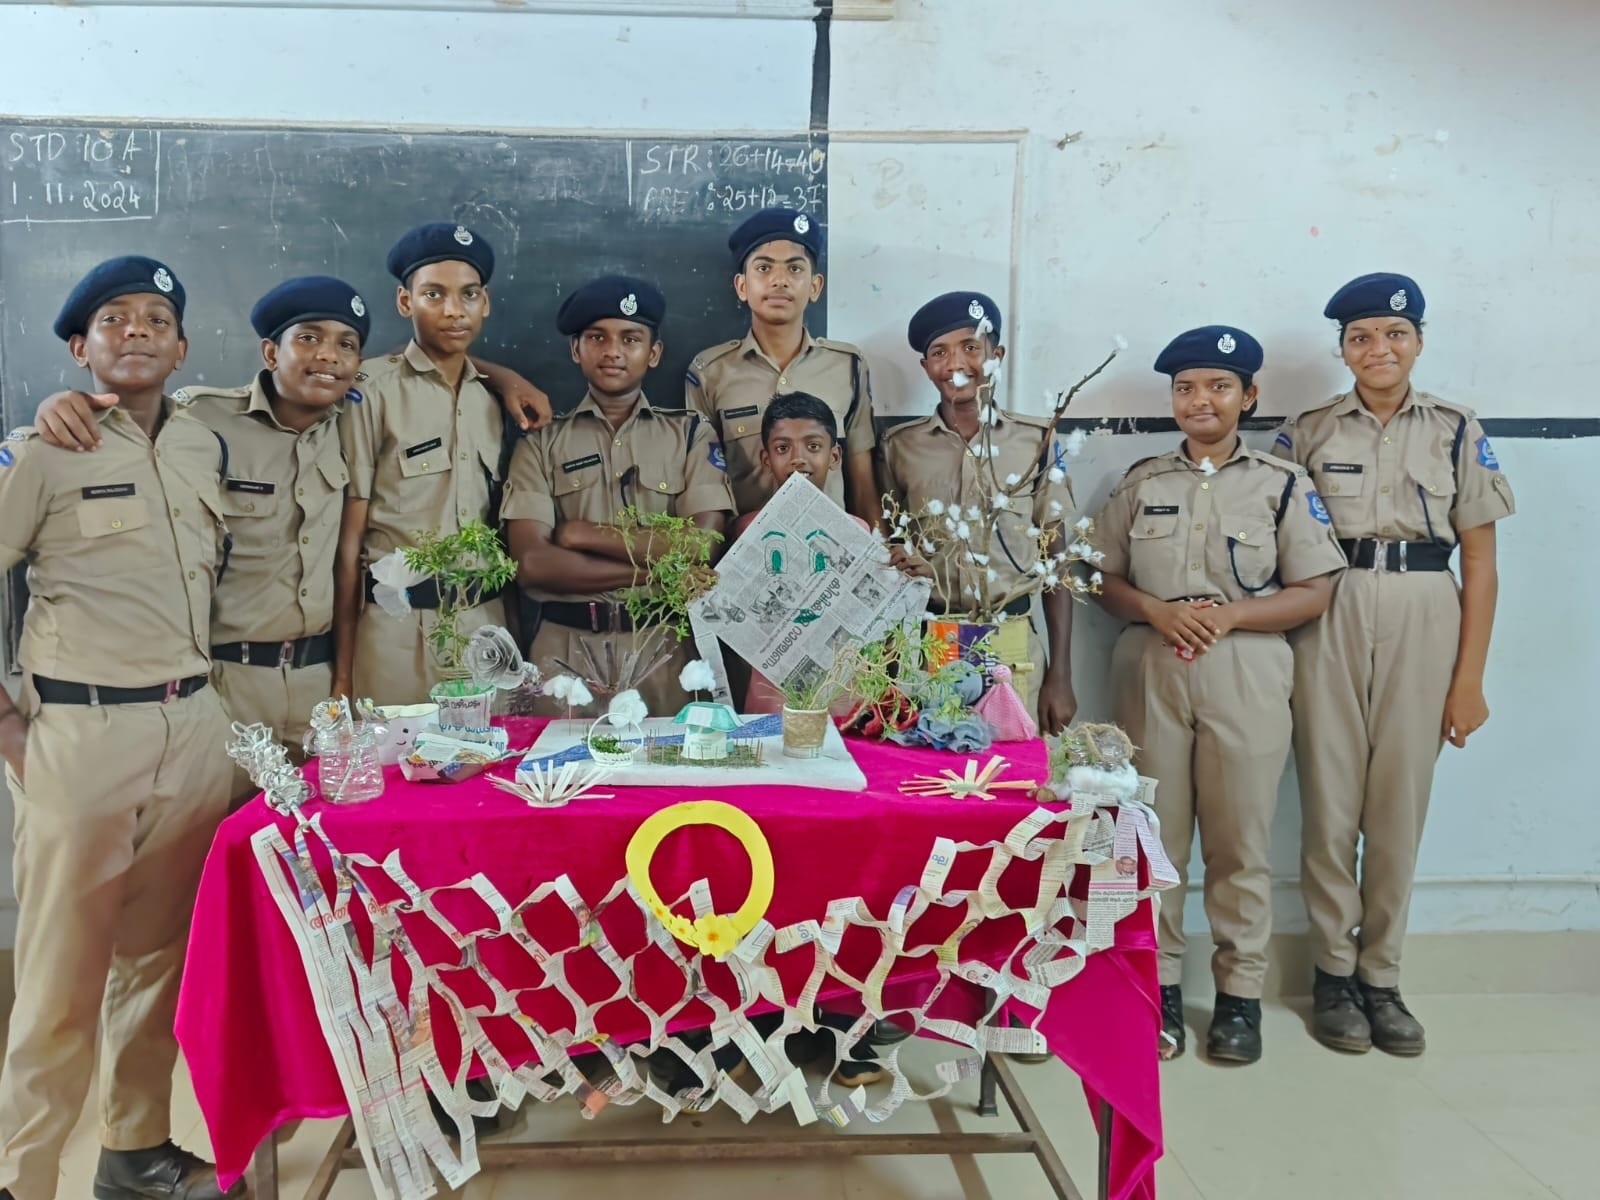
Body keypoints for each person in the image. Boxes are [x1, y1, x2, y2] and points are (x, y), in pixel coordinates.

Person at [0, 257, 241, 1200]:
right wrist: (6, 726)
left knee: (158, 962)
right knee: (59, 979)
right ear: (80, 348)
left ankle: (134, 1154)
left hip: (193, 725)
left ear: (182, 349)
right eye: (114, 319)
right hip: (82, 735)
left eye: (156, 320)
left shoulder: (200, 445)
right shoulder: (42, 450)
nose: (137, 330)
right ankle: (23, 1177)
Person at [1093, 326, 1347, 1064]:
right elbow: (1100, 577)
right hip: (1151, 666)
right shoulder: (1141, 483)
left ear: (1249, 396)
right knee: (1152, 838)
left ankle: (1239, 996)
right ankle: (1159, 988)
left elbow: (1314, 590)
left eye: (1218, 387)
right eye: (1186, 388)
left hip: (1247, 668)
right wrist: (1154, 609)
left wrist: (1230, 616)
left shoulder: (1281, 483)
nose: (1199, 400)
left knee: (1241, 840)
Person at [1280, 274, 1515, 1056]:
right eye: (1361, 337)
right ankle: (1333, 975)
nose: (1378, 349)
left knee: (1398, 806)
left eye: (1394, 334)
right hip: (1332, 605)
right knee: (1330, 802)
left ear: (1418, 342)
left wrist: (1469, 680)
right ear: (1344, 349)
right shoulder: (1309, 431)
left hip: (1424, 606)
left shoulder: (1456, 428)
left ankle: (1381, 976)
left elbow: (1480, 560)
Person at [29, 276, 368, 775]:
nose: (328, 356)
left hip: (318, 681)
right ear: (270, 353)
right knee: (216, 819)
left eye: (346, 345)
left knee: (318, 820)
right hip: (224, 680)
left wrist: (342, 682)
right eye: (308, 338)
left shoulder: (355, 422)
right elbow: (127, 425)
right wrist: (60, 405)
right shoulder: (203, 419)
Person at [503, 275, 734, 715]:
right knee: (557, 760)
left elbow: (700, 546)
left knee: (671, 761)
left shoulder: (689, 435)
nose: (613, 351)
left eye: (630, 339)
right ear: (576, 349)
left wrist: (580, 535)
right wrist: (655, 573)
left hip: (664, 653)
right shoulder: (541, 442)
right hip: (564, 657)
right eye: (597, 337)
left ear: (654, 353)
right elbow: (533, 565)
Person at [877, 291, 1078, 734]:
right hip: (931, 645)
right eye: (939, 352)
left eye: (971, 347)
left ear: (996, 356)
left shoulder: (1037, 441)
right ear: (926, 367)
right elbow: (890, 552)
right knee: (932, 764)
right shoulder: (899, 448)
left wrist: (1061, 674)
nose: (956, 363)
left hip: (1014, 646)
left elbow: (1057, 561)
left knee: (1015, 769)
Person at [333, 222, 512, 705]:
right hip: (397, 632)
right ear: (405, 301)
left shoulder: (490, 400)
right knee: (397, 752)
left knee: (492, 750)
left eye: (468, 294)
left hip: (483, 625)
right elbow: (347, 544)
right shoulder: (371, 392)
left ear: (485, 303)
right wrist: (343, 672)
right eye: (434, 294)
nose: (454, 310)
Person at [735, 391, 931, 714]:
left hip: (846, 703)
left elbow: (881, 629)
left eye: (813, 447)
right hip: (770, 704)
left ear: (835, 456)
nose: (798, 459)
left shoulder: (858, 530)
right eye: (783, 448)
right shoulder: (745, 531)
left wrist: (907, 579)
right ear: (766, 460)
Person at [685, 207, 879, 524]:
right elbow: (705, 482)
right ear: (742, 286)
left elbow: (862, 479)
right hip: (744, 544)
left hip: (829, 545)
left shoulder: (847, 366)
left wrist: (879, 547)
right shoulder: (709, 373)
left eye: (794, 269)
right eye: (764, 268)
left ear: (815, 286)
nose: (779, 281)